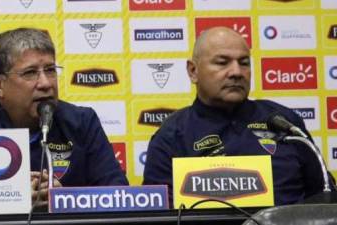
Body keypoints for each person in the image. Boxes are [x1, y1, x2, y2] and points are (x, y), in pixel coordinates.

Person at [0, 27, 128, 214]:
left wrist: (67, 199)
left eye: (50, 70)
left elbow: (119, 193)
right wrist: (12, 203)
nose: (45, 83)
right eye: (30, 73)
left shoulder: (82, 121)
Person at [143, 26, 335, 207]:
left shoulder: (284, 122)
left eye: (244, 63)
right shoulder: (172, 136)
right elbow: (160, 213)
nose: (236, 72)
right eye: (222, 62)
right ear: (193, 71)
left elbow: (324, 195)